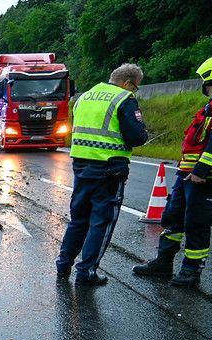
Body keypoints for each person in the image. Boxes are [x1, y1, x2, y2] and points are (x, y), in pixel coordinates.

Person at [133, 54, 212, 287]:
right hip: (188, 173)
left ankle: (191, 272)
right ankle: (163, 263)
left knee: (197, 223)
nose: (202, 82)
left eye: (203, 78)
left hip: (207, 176)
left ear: (211, 77)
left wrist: (202, 170)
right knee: (173, 217)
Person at [55, 64, 148, 285]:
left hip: (81, 165)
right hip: (109, 168)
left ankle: (63, 264)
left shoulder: (85, 97)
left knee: (78, 220)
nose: (134, 91)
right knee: (101, 222)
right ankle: (86, 272)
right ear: (127, 83)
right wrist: (143, 133)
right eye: (135, 87)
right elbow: (135, 137)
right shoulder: (124, 99)